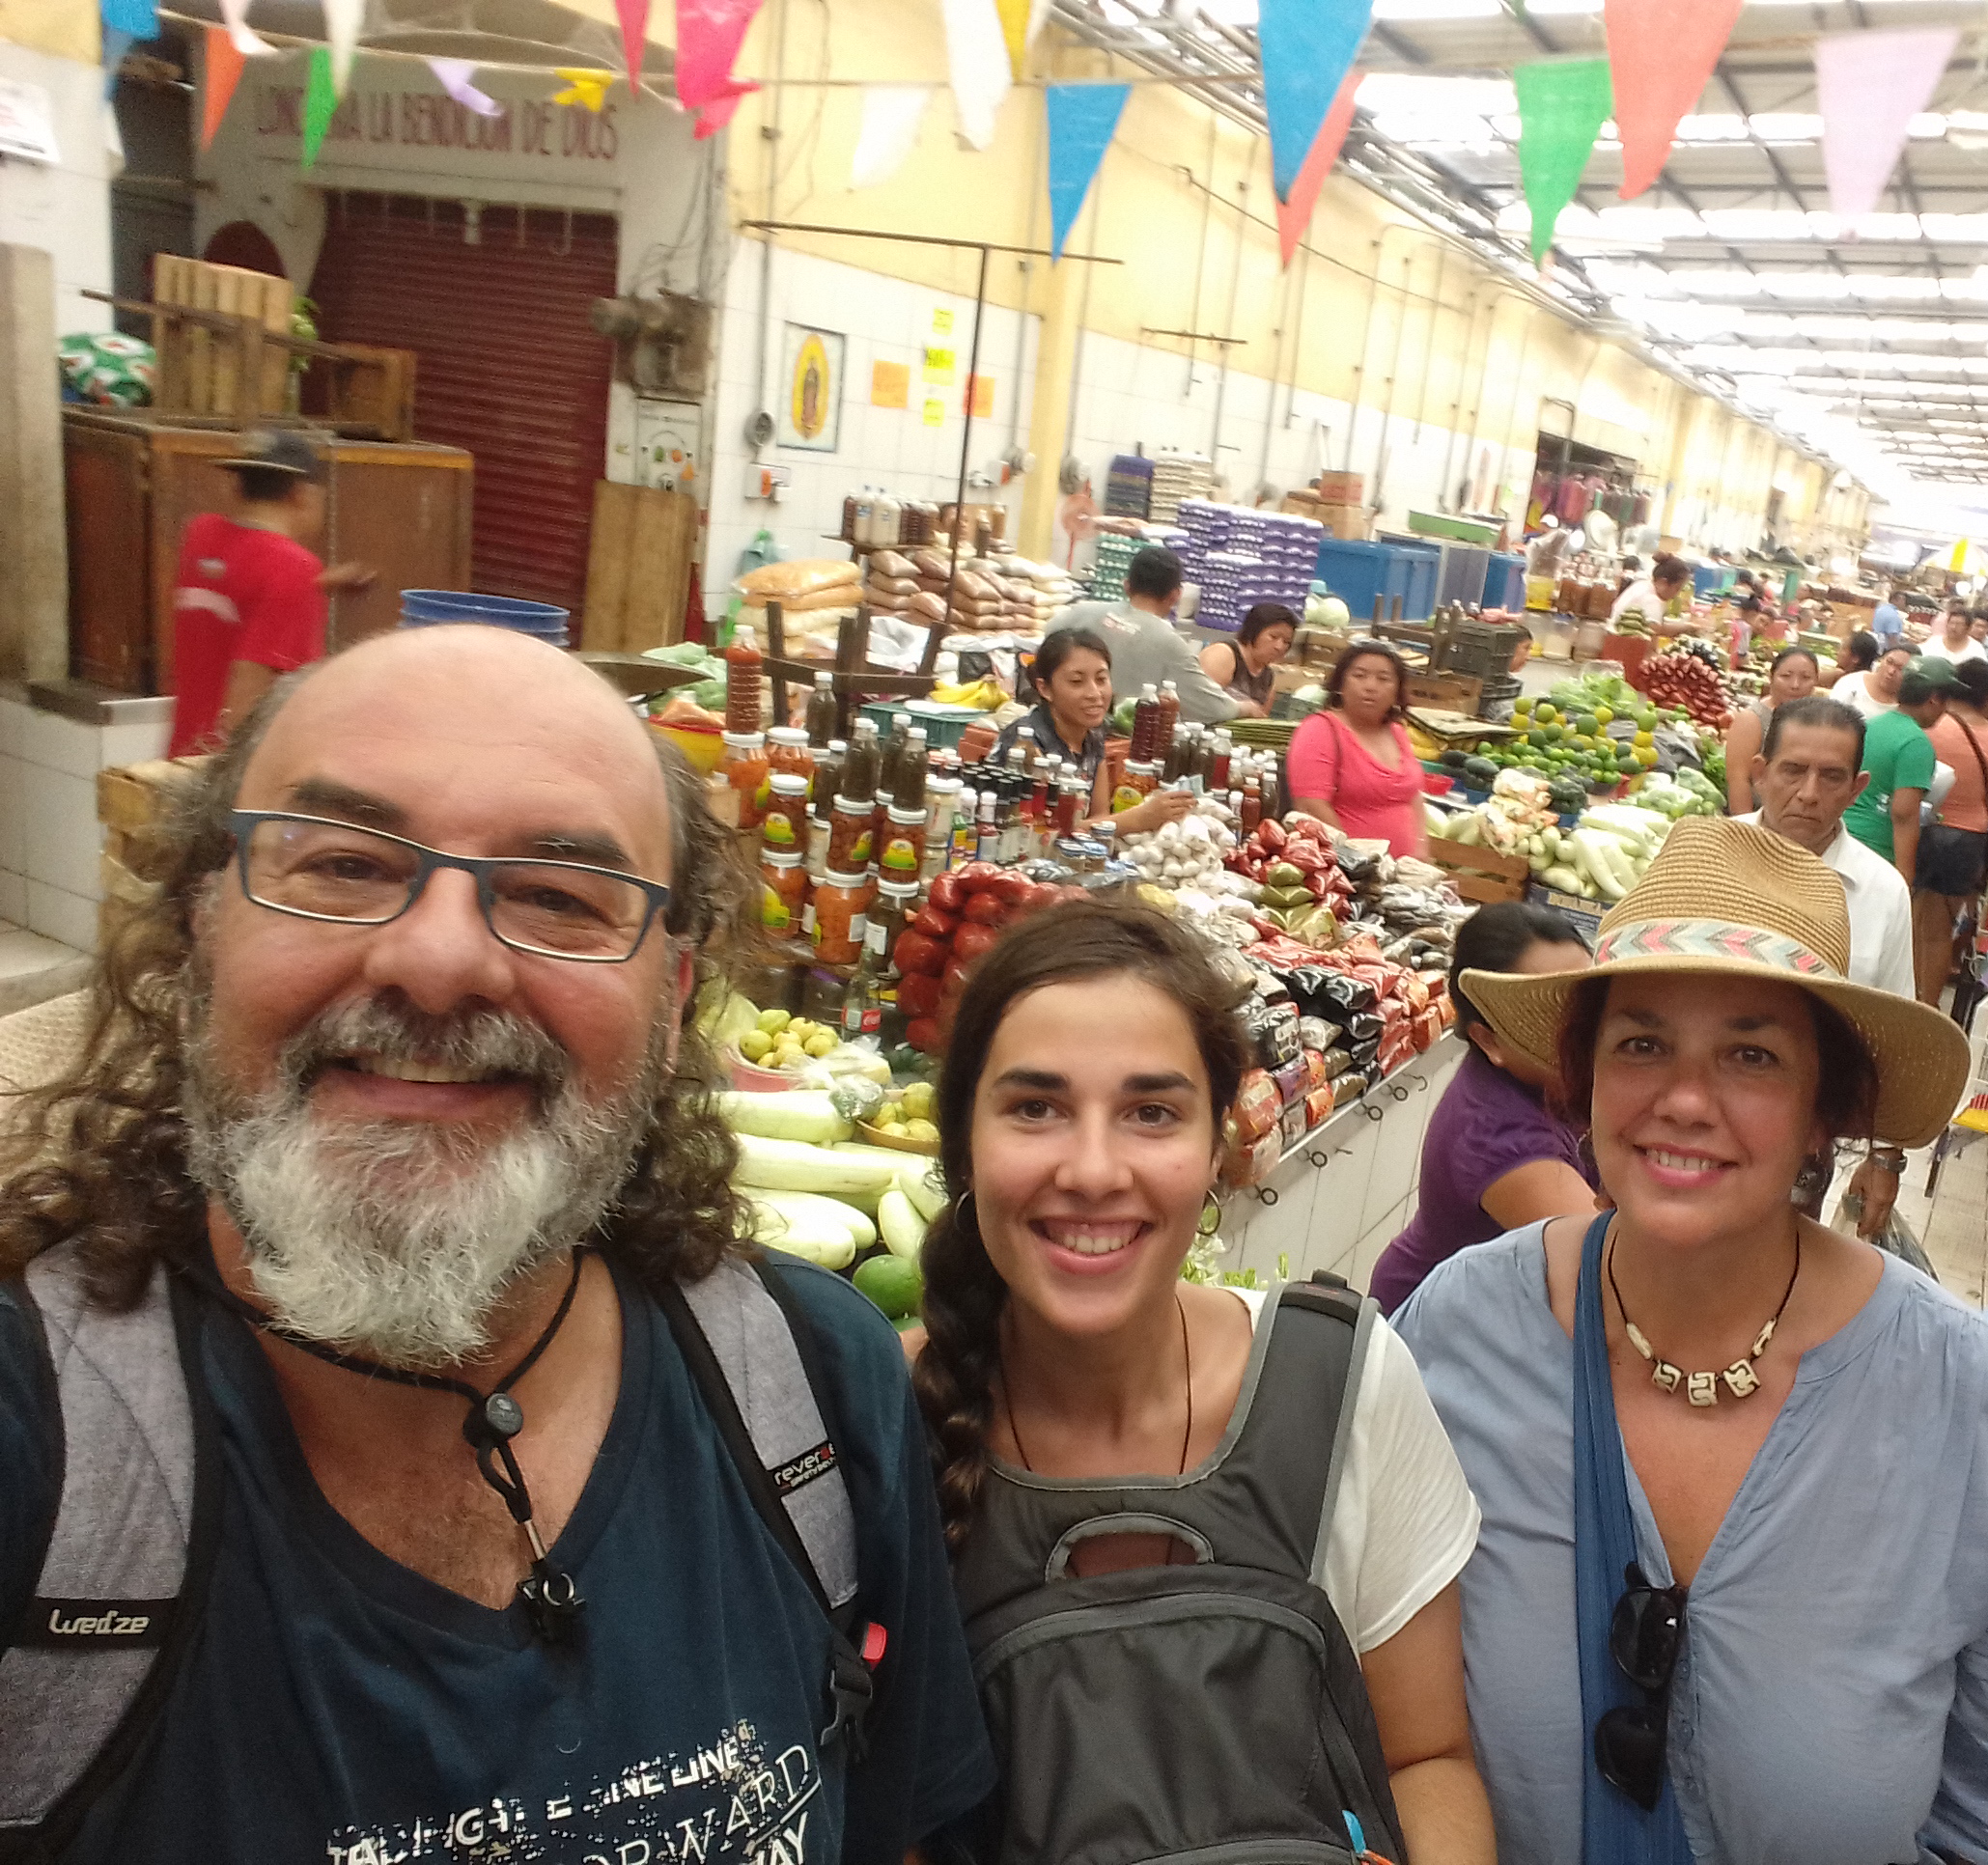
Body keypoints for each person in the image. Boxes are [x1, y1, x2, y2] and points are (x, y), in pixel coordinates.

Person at [0, 626, 991, 1860]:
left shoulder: (817, 1392)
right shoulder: (43, 1458)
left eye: (557, 897)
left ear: (674, 1001)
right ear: (205, 930)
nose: (437, 961)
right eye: (344, 865)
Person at [1395, 818, 1988, 1865]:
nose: (1685, 1101)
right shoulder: (1461, 1334)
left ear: (1824, 1111)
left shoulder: (1959, 1398)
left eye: (1752, 1055)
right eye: (1641, 1044)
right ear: (1584, 1078)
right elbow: (1375, 1710)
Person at [908, 901, 1493, 1865]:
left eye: (1151, 1112)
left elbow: (1426, 1756)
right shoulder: (878, 1419)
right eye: (1035, 1107)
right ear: (963, 1141)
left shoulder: (1341, 1385)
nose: (1093, 1170)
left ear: (1220, 1148)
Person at [1733, 694, 1918, 1238]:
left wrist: (1885, 1160)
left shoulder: (1882, 891)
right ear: (1761, 773)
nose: (1809, 794)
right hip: (1682, 1114)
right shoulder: (1704, 857)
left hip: (1802, 1141)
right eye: (1793, 770)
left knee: (1770, 1270)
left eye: (1831, 777)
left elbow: (1896, 1028)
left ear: (1858, 788)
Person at [1370, 903, 1596, 1314]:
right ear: (1489, 1040)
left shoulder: (1551, 1080)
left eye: (1588, 1000)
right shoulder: (1502, 1139)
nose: (1585, 1029)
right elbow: (1609, 1268)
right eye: (1549, 1014)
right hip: (1434, 1328)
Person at [169, 428, 372, 759]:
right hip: (226, 767)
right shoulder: (292, 568)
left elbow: (241, 586)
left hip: (182, 754)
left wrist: (318, 584)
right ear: (302, 495)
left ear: (237, 488)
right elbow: (247, 700)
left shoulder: (201, 534)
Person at [1001, 628, 1194, 836]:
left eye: (1101, 679)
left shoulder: (1092, 734)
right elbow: (1037, 831)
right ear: (1045, 689)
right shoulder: (1024, 744)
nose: (1095, 694)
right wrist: (1139, 818)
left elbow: (1099, 816)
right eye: (1077, 682)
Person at [1914, 655, 1988, 1006]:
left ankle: (1901, 996)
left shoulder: (1929, 727)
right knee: (1940, 931)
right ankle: (1928, 1006)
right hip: (1967, 838)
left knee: (1909, 921)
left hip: (1923, 829)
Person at [1048, 544, 1238, 724]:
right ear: (1175, 596)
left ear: (1127, 586)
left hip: (1059, 724)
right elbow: (1213, 708)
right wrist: (1245, 707)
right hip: (1124, 737)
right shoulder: (1170, 643)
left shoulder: (1079, 613)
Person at [1285, 641, 1427, 855]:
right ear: (1340, 684)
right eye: (1359, 676)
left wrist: (1421, 848)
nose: (1370, 686)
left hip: (1402, 870)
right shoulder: (1320, 730)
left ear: (1397, 691)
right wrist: (1355, 859)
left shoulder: (1397, 732)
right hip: (1346, 867)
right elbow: (1311, 806)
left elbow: (1413, 796)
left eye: (1384, 679)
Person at [1842, 665, 1948, 887]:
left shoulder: (1870, 726)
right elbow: (1904, 813)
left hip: (1843, 837)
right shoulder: (1915, 743)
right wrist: (1904, 876)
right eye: (1945, 703)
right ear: (1933, 700)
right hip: (1875, 852)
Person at [1719, 647, 1818, 816]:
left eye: (1805, 678)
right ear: (1771, 678)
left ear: (1816, 682)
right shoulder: (1752, 719)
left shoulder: (1816, 721)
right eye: (1785, 676)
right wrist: (1746, 826)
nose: (1795, 685)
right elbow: (1738, 780)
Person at [1196, 602, 1297, 717]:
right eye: (1273, 637)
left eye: (1286, 642)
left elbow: (1261, 718)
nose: (1279, 647)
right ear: (1253, 632)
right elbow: (1201, 702)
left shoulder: (1268, 677)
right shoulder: (1223, 654)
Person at [1611, 553, 1694, 636]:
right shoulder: (1652, 600)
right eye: (1677, 589)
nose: (1676, 595)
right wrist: (1686, 627)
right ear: (1663, 582)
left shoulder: (1643, 584)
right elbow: (1655, 630)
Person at [1830, 640, 1913, 721]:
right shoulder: (1852, 683)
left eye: (1900, 669)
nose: (1891, 671)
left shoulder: (1909, 706)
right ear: (1881, 660)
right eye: (1889, 662)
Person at [1914, 601, 1980, 682]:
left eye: (1959, 624)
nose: (1953, 627)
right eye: (1951, 623)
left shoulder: (1976, 649)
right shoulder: (1934, 642)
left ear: (1968, 627)